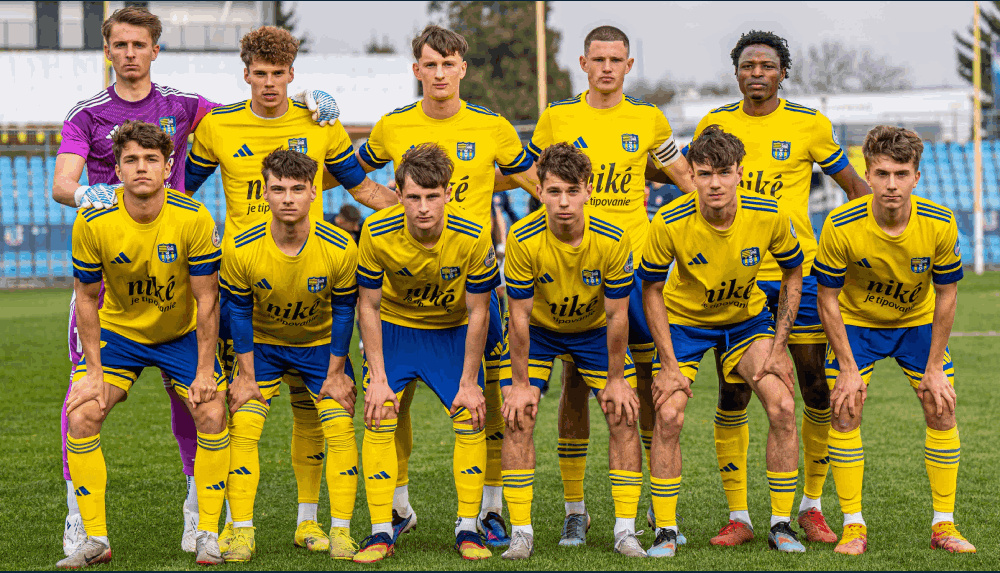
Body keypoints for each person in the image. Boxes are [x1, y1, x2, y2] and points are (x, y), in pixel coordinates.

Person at [50, 7, 338, 555]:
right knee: (81, 399)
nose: (129, 53)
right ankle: (79, 521)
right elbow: (64, 183)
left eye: (139, 44)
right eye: (120, 45)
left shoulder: (183, 106)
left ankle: (197, 516)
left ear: (154, 51)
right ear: (107, 51)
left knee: (198, 402)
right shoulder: (86, 114)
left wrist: (305, 101)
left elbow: (251, 110)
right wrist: (91, 194)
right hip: (112, 272)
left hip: (179, 268)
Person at [654, 29, 872, 545]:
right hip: (734, 280)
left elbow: (855, 187)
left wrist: (867, 245)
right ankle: (740, 517)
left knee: (813, 386)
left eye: (767, 65)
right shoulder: (716, 123)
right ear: (736, 72)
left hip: (798, 272)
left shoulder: (810, 124)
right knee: (733, 392)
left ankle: (811, 507)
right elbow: (692, 178)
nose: (757, 73)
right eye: (748, 65)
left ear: (782, 72)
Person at [184, 25, 396, 555]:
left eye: (278, 74)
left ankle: (312, 523)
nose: (269, 84)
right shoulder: (218, 126)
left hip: (312, 291)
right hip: (247, 292)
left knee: (315, 415)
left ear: (292, 74)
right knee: (241, 415)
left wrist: (420, 210)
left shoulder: (320, 123)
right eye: (260, 74)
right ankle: (234, 527)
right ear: (246, 74)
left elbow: (363, 188)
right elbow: (178, 192)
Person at [355, 24, 534, 547]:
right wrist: (389, 204)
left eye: (448, 64)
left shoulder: (493, 126)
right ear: (417, 70)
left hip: (473, 282)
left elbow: (535, 180)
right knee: (394, 405)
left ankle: (490, 510)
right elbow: (347, 172)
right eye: (429, 65)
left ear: (462, 69)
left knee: (487, 402)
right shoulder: (393, 125)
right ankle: (397, 508)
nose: (439, 74)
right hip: (406, 287)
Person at [520, 25, 695, 546]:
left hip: (633, 270)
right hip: (571, 266)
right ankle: (576, 510)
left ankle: (653, 508)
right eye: (598, 59)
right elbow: (532, 176)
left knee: (644, 385)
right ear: (583, 63)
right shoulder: (557, 117)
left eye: (616, 59)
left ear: (628, 65)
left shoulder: (648, 119)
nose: (606, 68)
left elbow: (685, 176)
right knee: (574, 384)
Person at [59, 121, 228, 567]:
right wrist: (93, 372)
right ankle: (94, 538)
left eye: (151, 159)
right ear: (116, 169)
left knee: (212, 411)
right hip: (120, 335)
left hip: (179, 334)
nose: (141, 168)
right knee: (82, 414)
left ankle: (208, 532)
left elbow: (207, 300)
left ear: (168, 167)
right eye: (131, 160)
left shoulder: (193, 216)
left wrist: (205, 371)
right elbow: (86, 299)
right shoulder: (92, 220)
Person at [638, 125, 806, 557]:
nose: (715, 183)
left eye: (724, 172)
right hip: (685, 323)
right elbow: (651, 289)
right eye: (705, 173)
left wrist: (780, 347)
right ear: (691, 174)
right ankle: (666, 530)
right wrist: (669, 364)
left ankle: (781, 524)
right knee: (669, 413)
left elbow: (793, 272)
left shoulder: (769, 213)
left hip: (745, 321)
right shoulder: (669, 221)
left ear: (739, 173)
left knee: (783, 405)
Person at [812, 125, 975, 555]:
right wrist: (848, 368)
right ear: (867, 173)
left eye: (901, 174)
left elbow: (947, 294)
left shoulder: (940, 223)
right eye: (882, 174)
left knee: (941, 405)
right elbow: (826, 299)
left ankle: (944, 525)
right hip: (857, 325)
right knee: (844, 409)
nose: (891, 185)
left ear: (916, 177)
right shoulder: (840, 226)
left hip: (916, 324)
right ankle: (853, 527)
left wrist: (935, 367)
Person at [500, 142, 645, 559]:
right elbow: (519, 318)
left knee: (622, 412)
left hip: (594, 332)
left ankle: (625, 531)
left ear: (588, 190)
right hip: (541, 332)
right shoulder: (522, 239)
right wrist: (521, 385)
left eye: (572, 191)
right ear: (539, 191)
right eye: (554, 191)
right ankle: (522, 533)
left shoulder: (613, 239)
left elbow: (618, 315)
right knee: (518, 415)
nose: (563, 202)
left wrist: (616, 380)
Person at [354, 143, 497, 563]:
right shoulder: (375, 231)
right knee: (380, 412)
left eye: (432, 196)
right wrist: (378, 378)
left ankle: (468, 528)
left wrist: (469, 382)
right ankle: (382, 530)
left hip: (450, 332)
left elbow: (479, 311)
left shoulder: (474, 234)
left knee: (470, 414)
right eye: (413, 197)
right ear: (398, 194)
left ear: (448, 193)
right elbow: (368, 306)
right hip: (396, 331)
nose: (422, 208)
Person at [218, 149, 362, 562]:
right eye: (278, 189)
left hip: (319, 348)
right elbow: (238, 313)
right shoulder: (241, 247)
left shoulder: (340, 247)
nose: (287, 198)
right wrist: (245, 376)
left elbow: (345, 312)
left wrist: (336, 373)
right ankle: (240, 531)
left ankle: (328, 529)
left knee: (337, 425)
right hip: (262, 347)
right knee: (244, 425)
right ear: (264, 193)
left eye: (297, 189)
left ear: (314, 192)